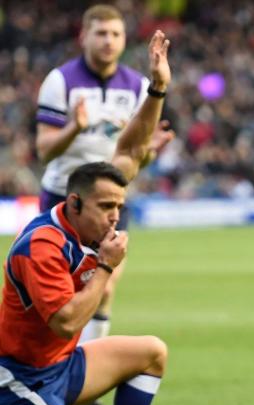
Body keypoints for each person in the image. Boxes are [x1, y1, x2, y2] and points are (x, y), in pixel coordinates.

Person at [0, 30, 171, 405]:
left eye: (120, 207)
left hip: (63, 365)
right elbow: (65, 319)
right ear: (74, 204)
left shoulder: (89, 221)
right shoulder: (43, 245)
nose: (116, 217)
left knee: (152, 352)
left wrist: (157, 89)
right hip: (20, 374)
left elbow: (131, 152)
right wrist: (107, 267)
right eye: (106, 208)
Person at [35, 5, 175, 352]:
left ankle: (87, 372)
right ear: (84, 36)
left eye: (115, 34)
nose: (108, 41)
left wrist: (151, 151)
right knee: (58, 292)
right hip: (62, 197)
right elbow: (44, 149)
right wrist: (74, 128)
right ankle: (46, 364)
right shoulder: (61, 81)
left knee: (104, 286)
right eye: (100, 33)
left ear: (125, 39)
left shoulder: (139, 86)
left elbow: (131, 158)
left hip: (111, 200)